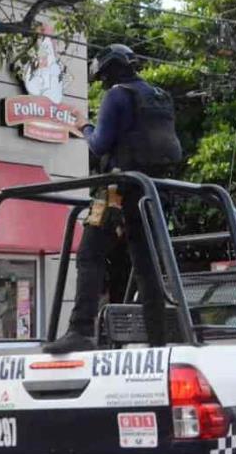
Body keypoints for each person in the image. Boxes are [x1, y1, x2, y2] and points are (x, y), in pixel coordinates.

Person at [43, 44, 182, 354]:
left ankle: (80, 329)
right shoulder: (159, 96)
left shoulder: (118, 95)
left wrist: (83, 125)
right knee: (146, 267)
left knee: (90, 255)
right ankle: (159, 340)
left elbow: (99, 144)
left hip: (119, 189)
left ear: (108, 71)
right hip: (154, 193)